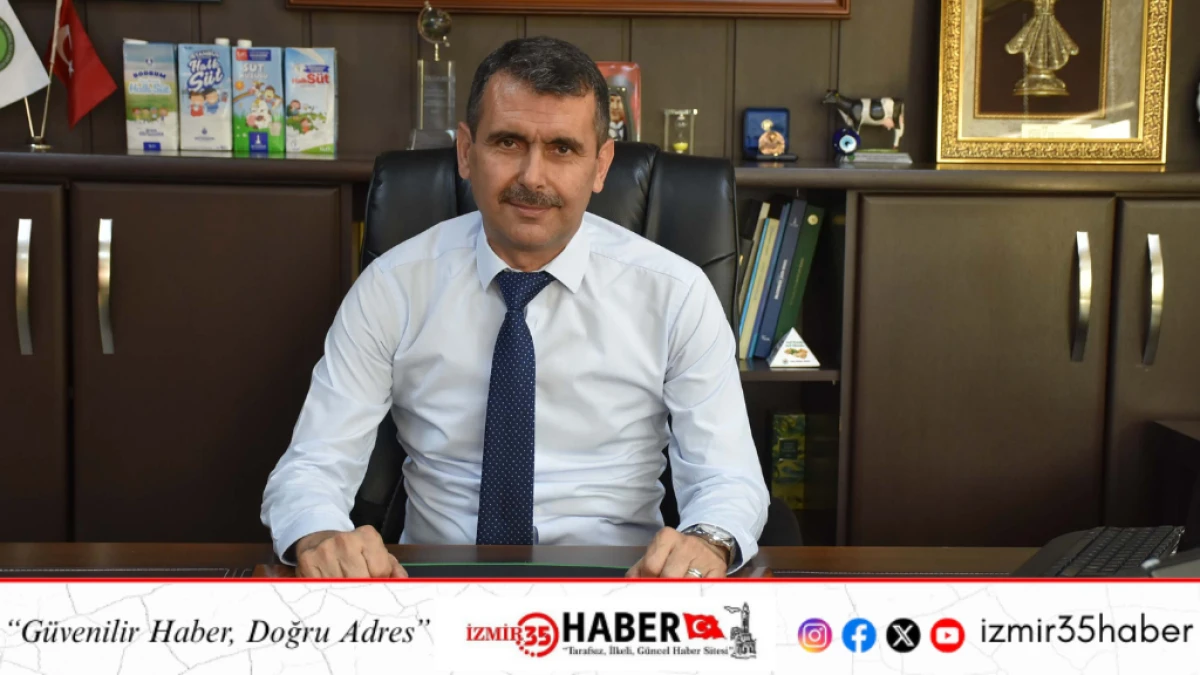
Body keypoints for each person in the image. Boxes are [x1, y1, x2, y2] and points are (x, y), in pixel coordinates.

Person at [260, 36, 768, 579]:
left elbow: (728, 478)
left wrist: (707, 543)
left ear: (601, 165)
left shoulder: (675, 293)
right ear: (465, 152)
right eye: (507, 142)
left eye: (563, 149)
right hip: (433, 581)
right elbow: (312, 465)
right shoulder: (392, 287)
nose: (532, 177)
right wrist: (320, 535)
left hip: (619, 583)